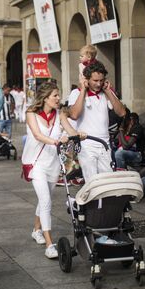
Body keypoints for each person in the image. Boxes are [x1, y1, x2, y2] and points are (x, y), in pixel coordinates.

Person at [23, 82, 85, 258]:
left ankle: (36, 229)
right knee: (45, 200)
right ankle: (50, 245)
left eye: (58, 95)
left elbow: (70, 130)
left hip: (53, 163)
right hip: (36, 164)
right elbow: (37, 135)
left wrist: (78, 134)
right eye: (55, 96)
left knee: (46, 198)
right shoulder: (31, 114)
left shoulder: (59, 114)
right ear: (45, 98)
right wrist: (57, 141)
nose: (58, 98)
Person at [68, 60, 126, 181]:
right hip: (86, 144)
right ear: (87, 79)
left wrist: (108, 91)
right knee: (92, 182)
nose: (98, 84)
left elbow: (122, 112)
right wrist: (83, 90)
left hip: (104, 144)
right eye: (95, 80)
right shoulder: (76, 93)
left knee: (108, 181)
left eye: (101, 80)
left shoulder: (106, 92)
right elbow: (74, 115)